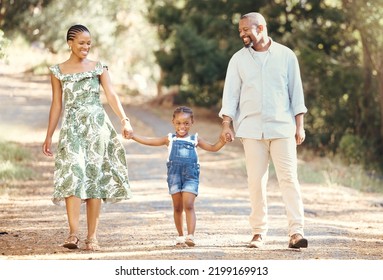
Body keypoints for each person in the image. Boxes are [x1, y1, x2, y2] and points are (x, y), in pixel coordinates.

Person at [219, 12, 308, 249]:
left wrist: (300, 126)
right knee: (256, 182)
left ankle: (296, 232)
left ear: (261, 27)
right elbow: (231, 96)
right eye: (240, 31)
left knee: (289, 179)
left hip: (282, 128)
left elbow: (296, 94)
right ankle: (258, 232)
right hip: (250, 129)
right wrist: (227, 124)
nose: (242, 34)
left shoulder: (286, 56)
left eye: (245, 29)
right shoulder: (238, 60)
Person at [42, 24, 133, 251]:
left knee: (94, 177)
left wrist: (124, 120)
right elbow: (57, 105)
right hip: (72, 128)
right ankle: (73, 234)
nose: (86, 47)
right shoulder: (58, 71)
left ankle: (92, 237)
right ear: (70, 43)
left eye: (89, 43)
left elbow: (111, 95)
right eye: (81, 43)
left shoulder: (98, 67)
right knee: (72, 172)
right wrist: (49, 135)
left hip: (96, 128)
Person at [131, 106, 226, 247]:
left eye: (186, 123)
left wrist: (223, 141)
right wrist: (133, 136)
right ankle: (180, 236)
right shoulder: (169, 139)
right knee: (177, 208)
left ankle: (190, 236)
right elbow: (150, 141)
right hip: (174, 176)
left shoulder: (195, 139)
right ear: (173, 122)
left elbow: (213, 147)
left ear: (192, 122)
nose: (182, 126)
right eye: (179, 123)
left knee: (188, 205)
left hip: (190, 176)